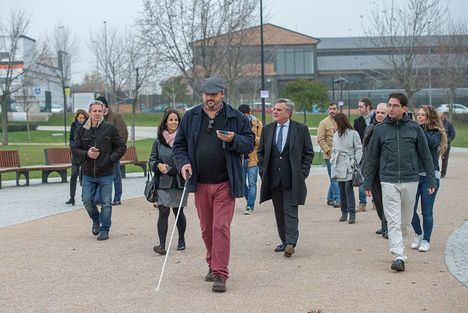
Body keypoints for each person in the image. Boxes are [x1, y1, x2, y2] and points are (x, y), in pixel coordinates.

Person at [172, 76, 254, 293]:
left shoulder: (236, 117)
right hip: (200, 183)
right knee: (206, 229)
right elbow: (178, 146)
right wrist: (184, 164)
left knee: (220, 227)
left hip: (225, 182)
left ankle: (220, 273)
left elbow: (250, 143)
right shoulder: (190, 117)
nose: (209, 98)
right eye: (206, 95)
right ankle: (212, 262)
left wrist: (233, 139)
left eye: (214, 95)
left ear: (222, 95)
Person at [364, 93, 435, 272]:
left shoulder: (414, 128)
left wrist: (432, 179)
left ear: (404, 108)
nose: (391, 108)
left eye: (395, 105)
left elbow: (426, 155)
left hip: (411, 179)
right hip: (388, 180)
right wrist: (367, 183)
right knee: (393, 220)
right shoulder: (380, 130)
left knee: (405, 221)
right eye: (389, 105)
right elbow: (371, 158)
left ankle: (400, 246)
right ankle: (398, 255)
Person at [257, 98, 314, 257]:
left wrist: (302, 173)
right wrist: (263, 171)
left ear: (288, 113)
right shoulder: (267, 129)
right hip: (273, 179)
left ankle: (291, 242)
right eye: (274, 109)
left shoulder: (300, 129)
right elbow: (260, 153)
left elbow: (308, 153)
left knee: (290, 210)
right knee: (278, 211)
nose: (274, 111)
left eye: (279, 110)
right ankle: (284, 240)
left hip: (292, 178)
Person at [72, 100, 126, 241]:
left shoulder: (110, 128)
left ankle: (104, 229)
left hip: (106, 172)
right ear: (89, 112)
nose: (97, 113)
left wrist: (110, 159)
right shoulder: (81, 130)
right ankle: (96, 220)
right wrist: (87, 154)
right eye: (94, 111)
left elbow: (121, 147)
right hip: (88, 172)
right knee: (87, 200)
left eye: (99, 111)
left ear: (103, 112)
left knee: (106, 203)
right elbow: (75, 149)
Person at [149, 108, 188, 255]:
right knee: (163, 212)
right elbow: (151, 159)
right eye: (171, 119)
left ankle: (181, 239)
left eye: (176, 120)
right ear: (165, 122)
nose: (173, 122)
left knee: (178, 212)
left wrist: (174, 170)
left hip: (179, 182)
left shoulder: (184, 140)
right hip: (162, 182)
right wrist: (158, 165)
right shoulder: (158, 141)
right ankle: (162, 245)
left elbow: (187, 160)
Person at [410, 105, 448, 252]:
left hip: (430, 177)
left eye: (422, 115)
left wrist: (418, 130)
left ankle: (426, 240)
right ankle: (418, 234)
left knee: (427, 211)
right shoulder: (414, 131)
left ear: (429, 117)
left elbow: (431, 144)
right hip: (413, 176)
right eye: (418, 115)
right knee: (410, 210)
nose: (419, 117)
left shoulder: (435, 133)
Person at [95, 96, 128, 205]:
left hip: (113, 153)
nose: (99, 109)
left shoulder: (115, 117)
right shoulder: (97, 118)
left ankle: (117, 197)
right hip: (100, 154)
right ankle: (99, 198)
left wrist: (118, 151)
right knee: (101, 176)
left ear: (106, 105)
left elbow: (123, 133)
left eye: (101, 106)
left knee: (116, 176)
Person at [330, 113, 362, 224]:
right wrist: (333, 161)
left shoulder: (353, 133)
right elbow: (334, 150)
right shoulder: (336, 135)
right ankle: (344, 212)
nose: (333, 124)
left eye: (334, 122)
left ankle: (352, 214)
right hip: (338, 164)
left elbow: (359, 148)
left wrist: (355, 162)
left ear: (340, 122)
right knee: (341, 190)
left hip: (349, 165)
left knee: (348, 189)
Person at [362, 103, 388, 238]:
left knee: (387, 200)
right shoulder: (370, 128)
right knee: (377, 200)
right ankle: (384, 224)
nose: (379, 115)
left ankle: (387, 226)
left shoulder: (390, 129)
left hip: (387, 170)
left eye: (382, 113)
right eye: (377, 112)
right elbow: (365, 149)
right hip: (373, 170)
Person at [237, 104, 263, 215]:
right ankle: (249, 201)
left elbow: (262, 140)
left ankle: (250, 206)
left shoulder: (257, 123)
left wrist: (250, 137)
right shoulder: (236, 123)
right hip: (241, 158)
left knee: (252, 183)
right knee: (242, 183)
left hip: (253, 158)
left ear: (249, 114)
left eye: (245, 116)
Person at [353, 98, 375, 212]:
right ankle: (362, 203)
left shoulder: (378, 118)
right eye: (359, 106)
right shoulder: (357, 122)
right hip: (362, 153)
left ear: (368, 107)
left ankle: (376, 201)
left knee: (375, 177)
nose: (359, 109)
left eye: (361, 106)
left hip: (375, 152)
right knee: (361, 177)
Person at [317, 102, 340, 208]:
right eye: (330, 109)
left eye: (334, 109)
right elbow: (320, 139)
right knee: (334, 178)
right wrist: (329, 151)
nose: (332, 111)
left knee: (335, 177)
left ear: (337, 109)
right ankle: (338, 199)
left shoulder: (340, 121)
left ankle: (330, 198)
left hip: (340, 155)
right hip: (329, 155)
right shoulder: (324, 123)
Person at [66, 109, 89, 206]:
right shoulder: (73, 125)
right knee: (74, 175)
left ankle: (85, 196)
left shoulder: (88, 126)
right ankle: (72, 197)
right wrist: (73, 147)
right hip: (75, 156)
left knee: (84, 177)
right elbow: (71, 138)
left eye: (83, 118)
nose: (82, 120)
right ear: (77, 118)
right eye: (80, 118)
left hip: (84, 155)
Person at [439, 112, 456, 178]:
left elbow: (453, 134)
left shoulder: (449, 124)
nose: (441, 117)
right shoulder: (436, 123)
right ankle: (435, 172)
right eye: (439, 116)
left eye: (442, 116)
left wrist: (447, 140)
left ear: (444, 116)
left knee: (445, 160)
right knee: (434, 159)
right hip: (437, 145)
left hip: (446, 145)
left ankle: (443, 174)